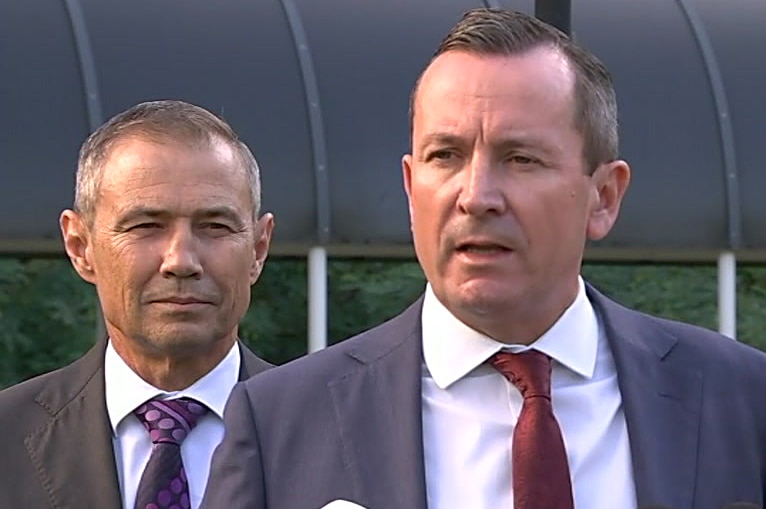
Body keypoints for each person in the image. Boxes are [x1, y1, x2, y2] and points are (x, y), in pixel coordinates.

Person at [201, 8, 766, 509]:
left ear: (604, 197)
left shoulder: (740, 400)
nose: (475, 195)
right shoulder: (281, 423)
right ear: (410, 186)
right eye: (445, 155)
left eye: (520, 159)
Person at [0, 100, 275, 509]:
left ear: (257, 248)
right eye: (145, 226)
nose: (181, 261)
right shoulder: (8, 438)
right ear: (80, 246)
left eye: (215, 226)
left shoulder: (341, 434)